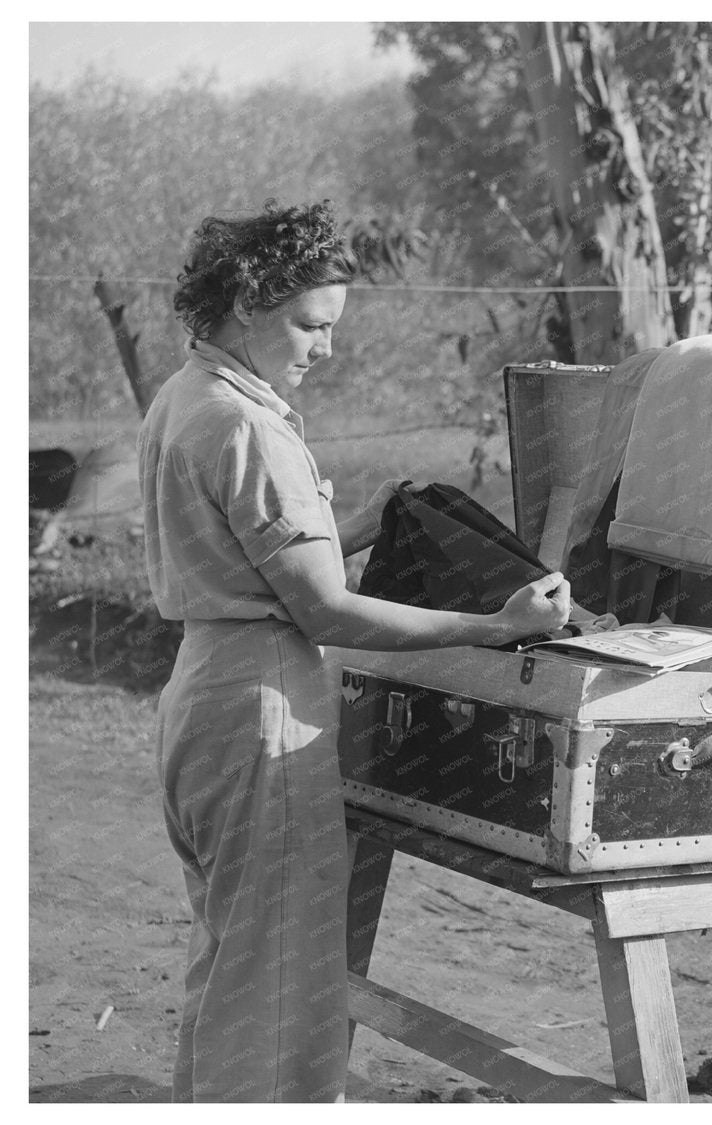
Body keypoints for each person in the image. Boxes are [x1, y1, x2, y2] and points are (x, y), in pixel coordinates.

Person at [138, 200, 570, 1102]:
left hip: (203, 689)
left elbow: (252, 559)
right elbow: (327, 613)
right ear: (247, 301)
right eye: (310, 325)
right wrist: (497, 628)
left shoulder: (185, 397)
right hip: (261, 702)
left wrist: (360, 523)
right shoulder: (252, 426)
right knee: (283, 974)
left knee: (233, 952)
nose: (323, 349)